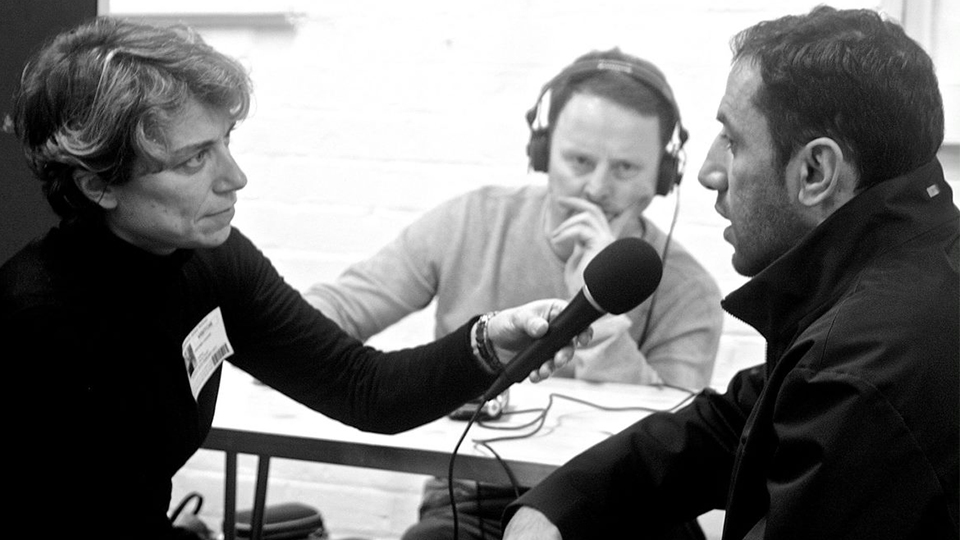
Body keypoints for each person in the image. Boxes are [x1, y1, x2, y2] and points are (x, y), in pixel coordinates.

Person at [0, 18, 590, 540]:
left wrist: (489, 341)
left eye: (225, 142)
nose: (236, 177)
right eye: (192, 160)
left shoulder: (211, 260)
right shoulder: (35, 323)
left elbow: (364, 388)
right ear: (98, 184)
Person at [501, 5, 959, 539]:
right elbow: (737, 425)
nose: (707, 172)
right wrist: (561, 502)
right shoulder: (908, 262)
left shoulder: (860, 364)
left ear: (815, 171)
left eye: (734, 141)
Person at [305, 49, 723, 540]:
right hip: (475, 495)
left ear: (662, 177)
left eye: (626, 169)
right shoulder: (472, 221)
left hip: (620, 501)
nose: (595, 188)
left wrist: (599, 298)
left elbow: (675, 443)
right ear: (543, 152)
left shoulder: (689, 289)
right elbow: (324, 316)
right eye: (579, 160)